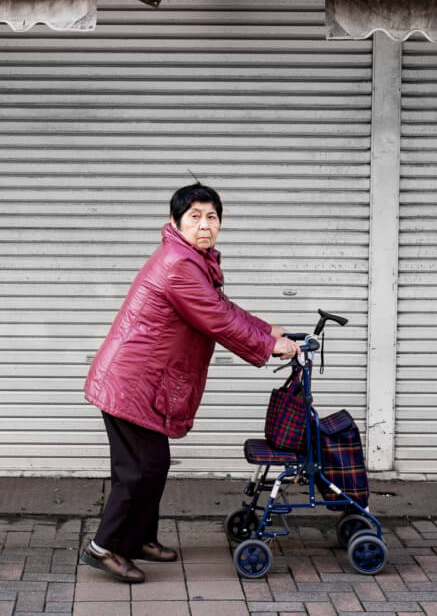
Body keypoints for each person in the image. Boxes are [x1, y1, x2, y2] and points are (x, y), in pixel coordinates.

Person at [80, 183, 301, 583]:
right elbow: (217, 321)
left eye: (212, 217)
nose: (204, 225)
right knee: (136, 470)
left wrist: (268, 329)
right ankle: (103, 547)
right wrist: (271, 347)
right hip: (131, 382)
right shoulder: (179, 265)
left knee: (154, 464)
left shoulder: (193, 261)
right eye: (195, 216)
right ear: (176, 222)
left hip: (143, 381)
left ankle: (138, 538)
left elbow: (222, 307)